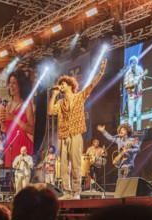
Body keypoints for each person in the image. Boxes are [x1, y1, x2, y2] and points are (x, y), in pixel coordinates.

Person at [47, 59, 107, 200]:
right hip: (63, 135)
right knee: (63, 166)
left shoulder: (79, 97)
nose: (60, 86)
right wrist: (54, 95)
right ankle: (66, 192)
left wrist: (101, 72)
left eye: (62, 84)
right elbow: (50, 111)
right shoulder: (60, 102)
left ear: (69, 85)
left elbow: (92, 85)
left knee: (76, 164)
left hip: (75, 133)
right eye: (60, 84)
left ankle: (75, 192)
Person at [0, 70, 34, 167]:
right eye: (9, 83)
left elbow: (32, 130)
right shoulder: (8, 106)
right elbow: (6, 130)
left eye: (14, 83)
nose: (11, 86)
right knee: (10, 179)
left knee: (21, 178)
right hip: (11, 147)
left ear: (20, 85)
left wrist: (14, 117)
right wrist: (1, 122)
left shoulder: (26, 105)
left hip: (22, 147)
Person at [124, 56, 146, 131]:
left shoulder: (140, 69)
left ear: (136, 62)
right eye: (132, 63)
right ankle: (131, 131)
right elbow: (125, 86)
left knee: (139, 113)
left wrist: (142, 77)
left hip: (139, 94)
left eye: (135, 63)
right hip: (131, 96)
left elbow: (143, 80)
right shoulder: (127, 73)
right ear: (130, 64)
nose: (133, 65)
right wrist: (132, 84)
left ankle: (139, 129)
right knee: (131, 115)